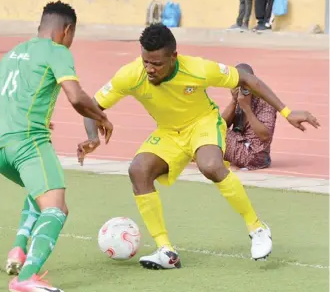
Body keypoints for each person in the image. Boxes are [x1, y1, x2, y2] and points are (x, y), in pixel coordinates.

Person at [79, 23, 320, 270]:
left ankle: (257, 228)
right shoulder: (130, 75)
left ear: (174, 56)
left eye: (157, 63)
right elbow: (90, 105)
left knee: (211, 166)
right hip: (169, 132)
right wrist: (92, 136)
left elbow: (247, 77)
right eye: (146, 62)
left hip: (202, 123)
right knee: (138, 170)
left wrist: (287, 111)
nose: (150, 69)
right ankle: (166, 251)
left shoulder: (198, 68)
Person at [0, 1, 113, 292]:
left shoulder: (12, 53)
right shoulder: (58, 51)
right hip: (28, 143)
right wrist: (102, 118)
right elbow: (76, 97)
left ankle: (18, 250)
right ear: (67, 30)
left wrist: (11, 117)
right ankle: (27, 277)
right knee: (56, 207)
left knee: (38, 190)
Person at [222, 63, 277, 170]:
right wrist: (234, 101)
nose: (242, 88)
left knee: (211, 128)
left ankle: (198, 153)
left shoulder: (265, 102)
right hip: (239, 145)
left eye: (245, 84)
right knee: (213, 126)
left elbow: (265, 136)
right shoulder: (239, 97)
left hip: (253, 155)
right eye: (238, 84)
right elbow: (222, 124)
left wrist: (247, 108)